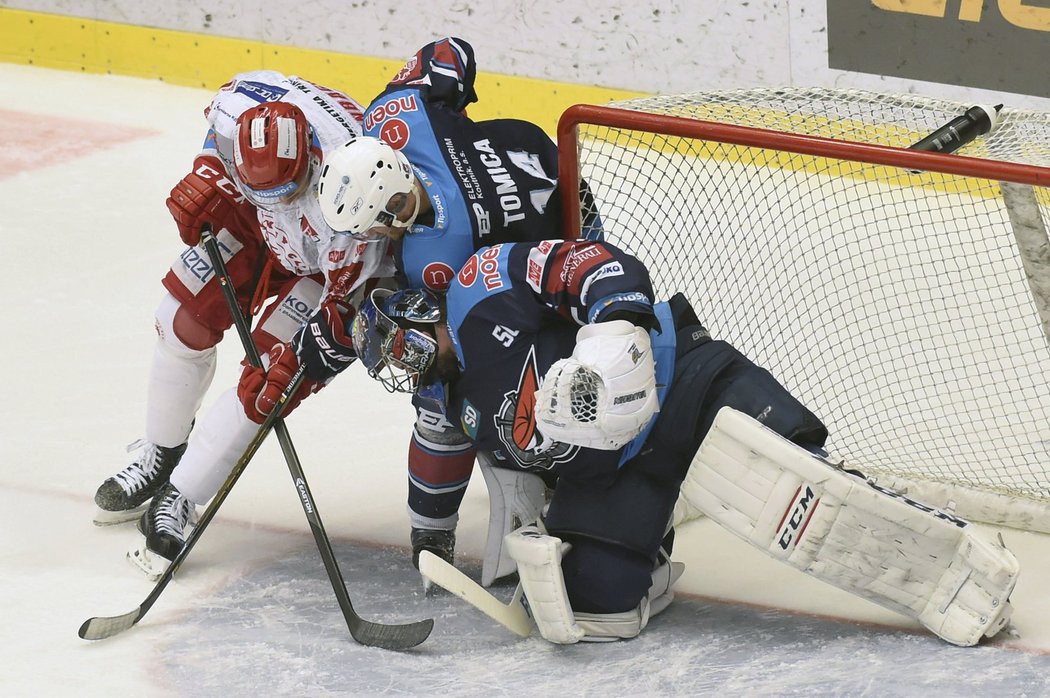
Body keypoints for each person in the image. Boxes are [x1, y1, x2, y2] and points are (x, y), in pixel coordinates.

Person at [346, 238, 1020, 646]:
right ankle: (650, 551)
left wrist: (613, 331)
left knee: (807, 489)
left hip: (681, 384)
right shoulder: (447, 401)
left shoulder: (479, 285)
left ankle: (951, 544)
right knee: (594, 612)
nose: (408, 368)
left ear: (418, 310)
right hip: (614, 478)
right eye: (393, 368)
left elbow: (592, 263)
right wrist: (469, 533)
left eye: (405, 347)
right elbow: (460, 465)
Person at [261, 36, 602, 571]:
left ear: (394, 205)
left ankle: (438, 532)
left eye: (374, 224)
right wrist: (460, 125)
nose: (369, 235)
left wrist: (349, 331)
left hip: (550, 268)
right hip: (563, 195)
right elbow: (449, 53)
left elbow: (443, 333)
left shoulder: (436, 257)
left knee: (445, 397)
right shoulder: (395, 117)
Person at [91, 70, 394, 575]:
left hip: (321, 266)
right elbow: (214, 140)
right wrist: (208, 177)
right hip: (254, 224)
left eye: (289, 188)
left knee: (265, 382)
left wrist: (305, 356)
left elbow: (346, 304)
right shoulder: (244, 104)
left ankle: (182, 496)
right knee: (180, 317)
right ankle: (161, 453)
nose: (281, 199)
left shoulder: (350, 199)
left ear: (313, 158)